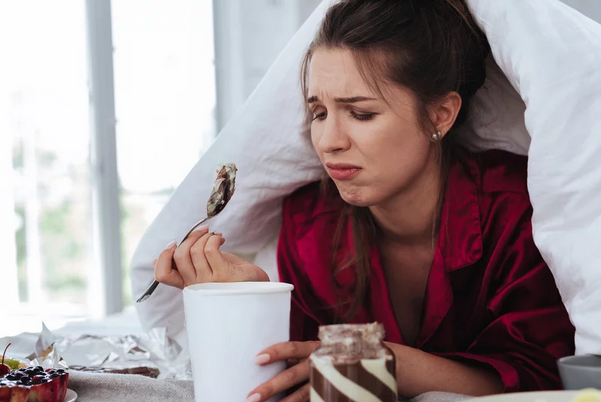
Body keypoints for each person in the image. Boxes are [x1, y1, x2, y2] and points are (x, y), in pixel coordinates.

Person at [153, 0, 575, 400]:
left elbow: (549, 382)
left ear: (440, 115)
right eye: (318, 113)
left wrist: (392, 364)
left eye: (361, 114)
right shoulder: (309, 224)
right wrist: (252, 300)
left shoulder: (519, 208)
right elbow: (297, 373)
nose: (329, 142)